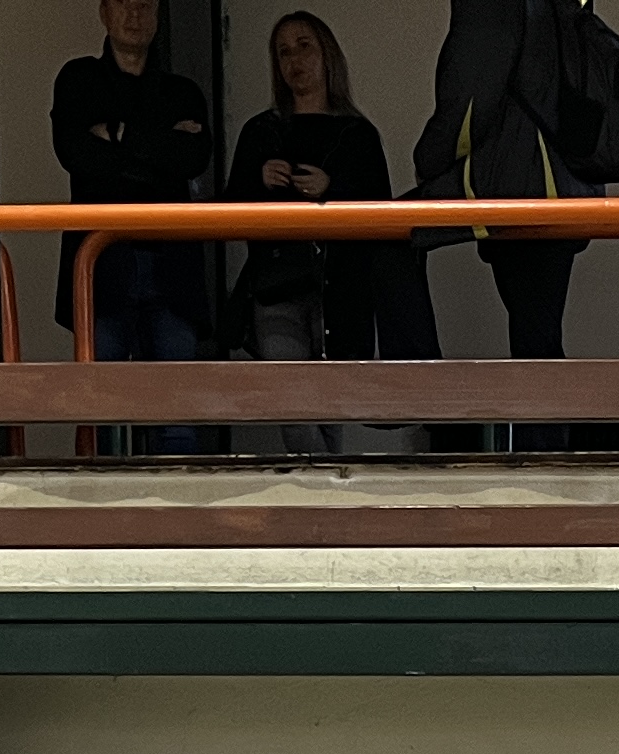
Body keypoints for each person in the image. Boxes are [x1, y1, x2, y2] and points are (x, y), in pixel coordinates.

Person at [227, 13, 409, 450]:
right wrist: (258, 179)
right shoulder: (261, 131)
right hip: (277, 286)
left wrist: (333, 188)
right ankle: (326, 484)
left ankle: (327, 486)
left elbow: (380, 212)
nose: (295, 59)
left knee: (331, 410)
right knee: (292, 404)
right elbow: (229, 209)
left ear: (327, 54)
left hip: (341, 289)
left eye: (304, 45)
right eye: (283, 52)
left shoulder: (357, 135)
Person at [413, 0, 603, 361]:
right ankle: (419, 380)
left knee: (387, 239)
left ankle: (416, 382)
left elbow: (470, 99)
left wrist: (429, 159)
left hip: (519, 182)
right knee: (538, 336)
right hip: (566, 181)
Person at [54, 0, 219, 377]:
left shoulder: (183, 92)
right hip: (100, 266)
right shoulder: (78, 80)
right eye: (122, 2)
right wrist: (161, 145)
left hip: (172, 269)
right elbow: (77, 155)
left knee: (175, 401)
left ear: (158, 13)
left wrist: (117, 134)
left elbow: (193, 159)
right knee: (100, 398)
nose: (134, 13)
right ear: (104, 12)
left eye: (144, 4)